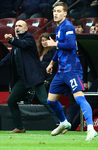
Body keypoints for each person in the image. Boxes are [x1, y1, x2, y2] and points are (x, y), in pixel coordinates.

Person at [0, 20, 59, 133]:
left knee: (44, 100)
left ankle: (61, 122)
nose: (17, 27)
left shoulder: (28, 38)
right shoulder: (16, 43)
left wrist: (11, 39)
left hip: (33, 76)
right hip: (23, 79)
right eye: (16, 26)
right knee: (11, 100)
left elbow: (22, 44)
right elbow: (8, 57)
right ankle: (19, 127)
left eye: (20, 26)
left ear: (26, 29)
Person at [45, 2, 97, 141]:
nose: (55, 13)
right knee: (50, 101)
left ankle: (91, 129)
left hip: (72, 69)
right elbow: (59, 49)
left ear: (65, 13)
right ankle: (64, 122)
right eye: (54, 11)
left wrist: (54, 43)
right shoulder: (58, 29)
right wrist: (51, 62)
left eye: (58, 11)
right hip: (61, 71)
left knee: (79, 98)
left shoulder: (68, 26)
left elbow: (69, 44)